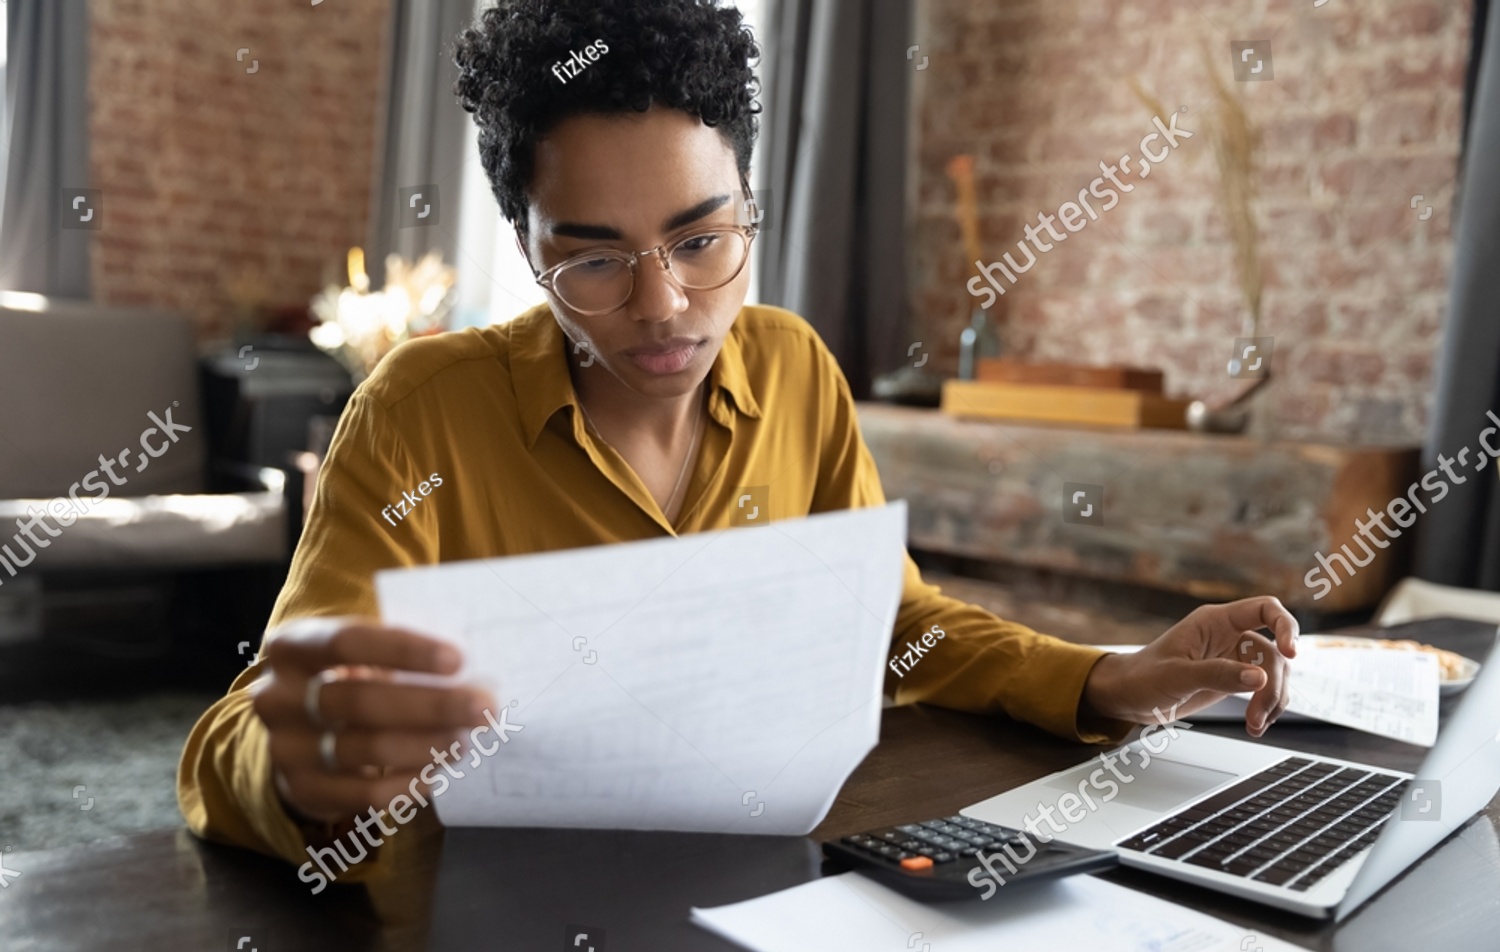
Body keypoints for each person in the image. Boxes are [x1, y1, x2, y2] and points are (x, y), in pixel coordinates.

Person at [178, 0, 1295, 882]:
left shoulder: (797, 368)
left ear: (752, 206)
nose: (665, 307)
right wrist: (299, 771)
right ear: (526, 253)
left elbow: (898, 630)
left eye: (703, 237)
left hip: (772, 885)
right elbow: (249, 726)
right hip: (488, 925)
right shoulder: (424, 410)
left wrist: (1110, 680)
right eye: (594, 259)